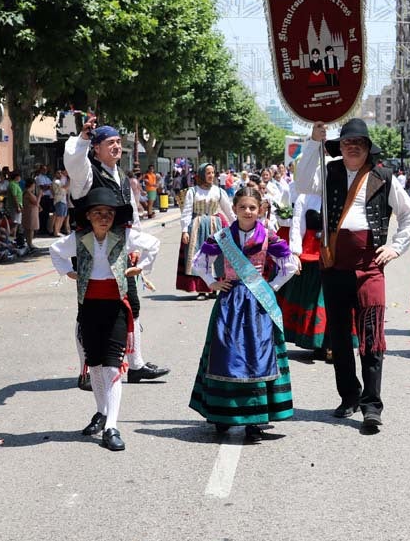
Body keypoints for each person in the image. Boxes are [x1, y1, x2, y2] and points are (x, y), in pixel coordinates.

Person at [296, 119, 410, 432]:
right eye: (348, 143)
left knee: (371, 335)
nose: (353, 147)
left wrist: (396, 247)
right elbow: (300, 182)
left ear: (367, 149)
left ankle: (372, 404)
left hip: (369, 265)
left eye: (359, 144)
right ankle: (349, 396)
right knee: (338, 335)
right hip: (334, 263)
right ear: (340, 147)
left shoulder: (384, 176)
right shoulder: (329, 171)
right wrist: (313, 141)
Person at [49, 188, 160, 451]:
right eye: (98, 213)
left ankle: (112, 426)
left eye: (109, 214)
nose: (103, 218)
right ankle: (101, 412)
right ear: (88, 216)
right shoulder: (79, 238)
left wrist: (141, 267)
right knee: (95, 365)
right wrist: (68, 272)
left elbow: (153, 245)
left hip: (115, 306)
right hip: (88, 307)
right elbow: (55, 250)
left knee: (112, 367)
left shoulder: (123, 235)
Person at [64, 117, 171, 385]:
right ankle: (86, 371)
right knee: (87, 311)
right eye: (110, 143)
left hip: (121, 251)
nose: (116, 147)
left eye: (119, 143)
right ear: (96, 148)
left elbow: (131, 214)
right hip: (92, 250)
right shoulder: (86, 175)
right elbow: (74, 162)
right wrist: (83, 138)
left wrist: (136, 244)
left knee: (130, 306)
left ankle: (136, 365)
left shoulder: (122, 176)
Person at [188, 187, 298, 441]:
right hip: (230, 300)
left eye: (252, 208)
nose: (247, 212)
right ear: (234, 209)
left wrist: (272, 287)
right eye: (242, 207)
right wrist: (212, 282)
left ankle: (255, 420)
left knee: (258, 356)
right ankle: (222, 413)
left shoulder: (267, 235)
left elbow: (289, 265)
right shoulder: (223, 236)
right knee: (226, 354)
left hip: (258, 302)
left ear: (259, 210)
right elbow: (199, 261)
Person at [277, 191, 331, 359]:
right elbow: (297, 225)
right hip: (311, 254)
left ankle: (332, 343)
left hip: (334, 252)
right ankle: (317, 342)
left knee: (331, 299)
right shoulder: (305, 197)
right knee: (312, 299)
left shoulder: (344, 192)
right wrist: (294, 252)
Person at [177, 162, 235, 299]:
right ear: (202, 174)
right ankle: (201, 289)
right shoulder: (192, 191)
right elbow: (186, 212)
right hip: (197, 226)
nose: (211, 175)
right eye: (208, 173)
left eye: (213, 173)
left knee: (216, 257)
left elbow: (229, 211)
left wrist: (237, 226)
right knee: (198, 256)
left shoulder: (219, 191)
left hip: (215, 225)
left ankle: (214, 287)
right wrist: (185, 230)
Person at [22, 177, 41, 250]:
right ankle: (29, 243)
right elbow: (36, 202)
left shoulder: (29, 193)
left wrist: (39, 207)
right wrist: (39, 195)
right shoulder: (28, 193)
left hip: (32, 211)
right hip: (30, 212)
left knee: (30, 228)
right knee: (30, 228)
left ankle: (29, 242)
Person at [51, 170, 70, 237]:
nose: (60, 174)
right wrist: (70, 179)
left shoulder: (61, 180)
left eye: (60, 173)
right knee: (59, 217)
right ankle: (56, 232)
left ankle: (58, 231)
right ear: (55, 174)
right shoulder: (56, 181)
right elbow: (65, 187)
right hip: (59, 201)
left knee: (62, 217)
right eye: (58, 173)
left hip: (63, 200)